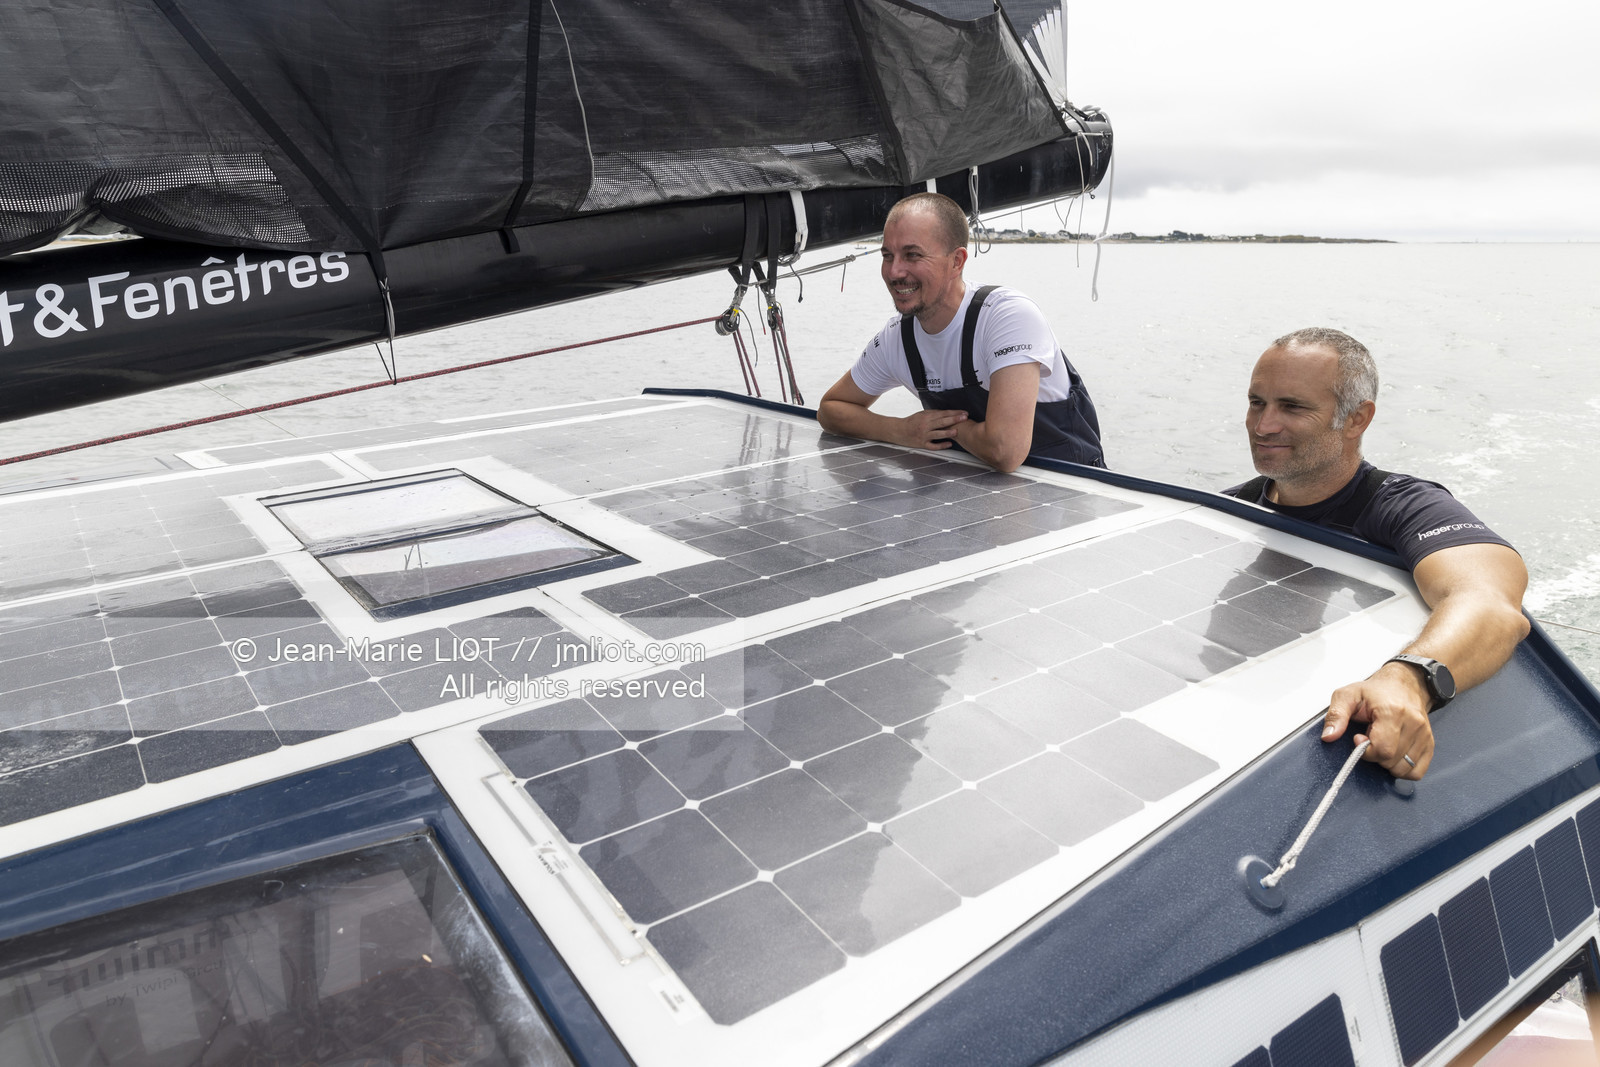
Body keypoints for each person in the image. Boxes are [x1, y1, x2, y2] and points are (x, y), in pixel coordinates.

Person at [1226, 327, 1529, 780]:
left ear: (1356, 419)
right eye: (1256, 402)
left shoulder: (1406, 506)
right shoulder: (1224, 512)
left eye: (1292, 407)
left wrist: (1408, 680)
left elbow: (1489, 602)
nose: (1263, 425)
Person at [817, 192, 1104, 473]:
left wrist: (950, 429)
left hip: (1070, 491)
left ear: (957, 261)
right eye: (887, 255)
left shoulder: (1007, 317)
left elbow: (1005, 451)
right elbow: (830, 409)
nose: (894, 272)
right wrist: (901, 429)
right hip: (971, 493)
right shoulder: (896, 339)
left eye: (912, 255)